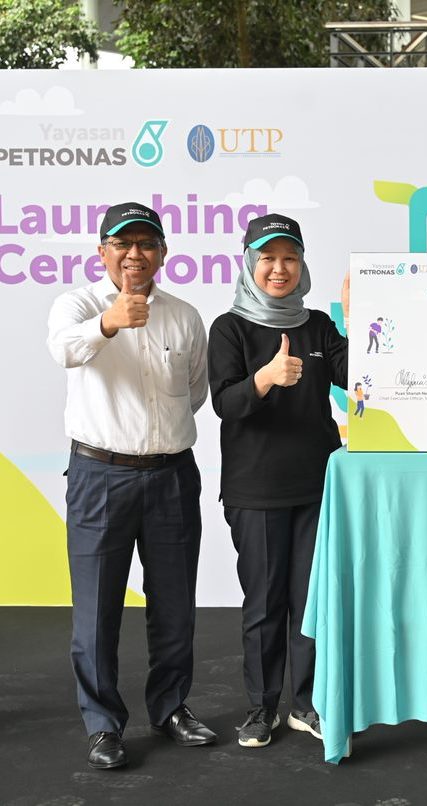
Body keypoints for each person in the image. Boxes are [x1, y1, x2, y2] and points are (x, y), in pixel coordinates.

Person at [46, 202, 215, 770]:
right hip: (100, 475)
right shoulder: (77, 304)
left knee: (174, 603)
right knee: (96, 609)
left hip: (171, 474)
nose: (135, 254)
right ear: (103, 253)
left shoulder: (185, 315)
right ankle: (102, 724)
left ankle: (170, 708)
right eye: (123, 244)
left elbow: (194, 391)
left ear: (163, 254)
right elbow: (63, 349)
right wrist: (110, 322)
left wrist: (160, 440)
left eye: (146, 244)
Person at [208, 214, 349, 748]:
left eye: (289, 257)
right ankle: (261, 708)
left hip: (316, 488)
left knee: (309, 602)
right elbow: (224, 403)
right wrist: (263, 380)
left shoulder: (316, 326)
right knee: (264, 603)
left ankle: (306, 705)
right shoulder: (230, 328)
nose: (279, 269)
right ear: (250, 263)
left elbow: (358, 373)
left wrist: (363, 318)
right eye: (267, 258)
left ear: (302, 263)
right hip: (256, 491)